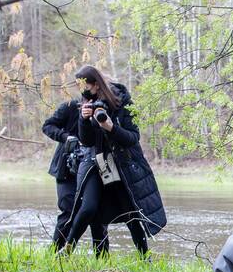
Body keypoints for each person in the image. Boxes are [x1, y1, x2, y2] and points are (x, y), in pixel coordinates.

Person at [60, 65, 166, 256]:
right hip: (94, 163)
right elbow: (87, 141)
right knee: (88, 208)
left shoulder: (122, 100)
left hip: (121, 163)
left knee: (131, 213)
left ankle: (145, 257)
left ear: (97, 84)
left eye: (88, 87)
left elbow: (133, 137)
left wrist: (110, 127)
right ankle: (66, 250)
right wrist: (84, 121)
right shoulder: (86, 102)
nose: (85, 91)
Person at [42, 98, 107, 250]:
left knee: (97, 215)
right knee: (68, 211)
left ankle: (102, 258)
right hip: (67, 170)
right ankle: (55, 254)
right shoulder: (70, 107)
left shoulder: (103, 109)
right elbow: (47, 126)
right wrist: (65, 137)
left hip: (94, 169)